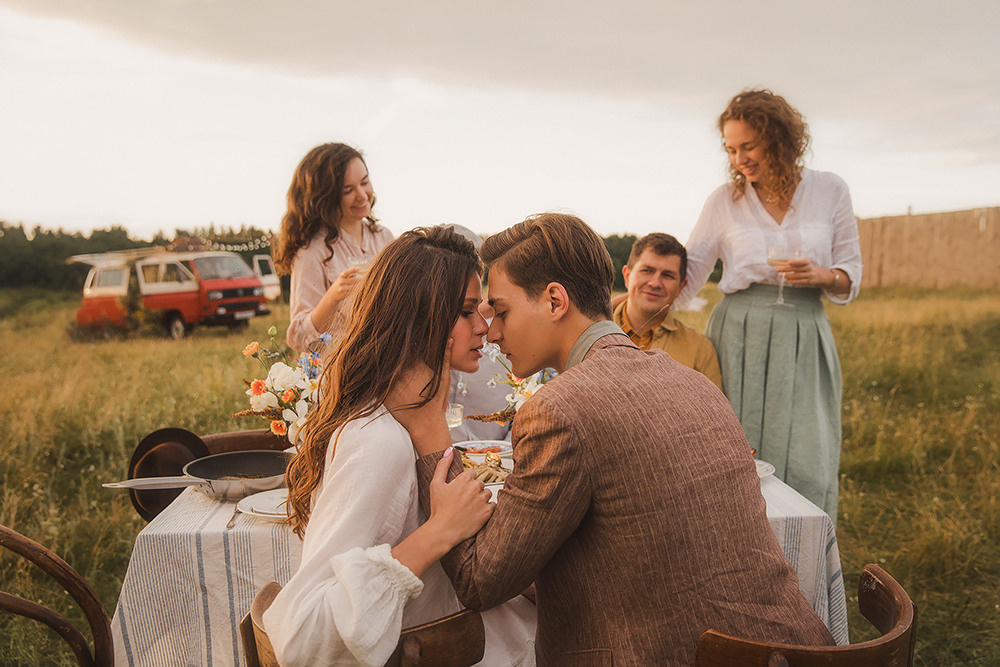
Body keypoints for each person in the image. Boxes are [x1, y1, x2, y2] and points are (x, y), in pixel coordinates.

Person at [390, 212, 834, 665]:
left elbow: (479, 581)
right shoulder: (691, 381)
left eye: (501, 311)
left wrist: (430, 433)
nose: (493, 331)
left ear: (555, 301)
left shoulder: (559, 409)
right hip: (796, 650)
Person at [263, 227, 536, 666]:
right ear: (419, 319)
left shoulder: (409, 422)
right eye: (467, 312)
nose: (484, 327)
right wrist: (439, 532)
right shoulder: (379, 441)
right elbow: (302, 632)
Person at [678, 89, 863, 519]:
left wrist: (822, 275)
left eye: (748, 146)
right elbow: (689, 273)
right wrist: (630, 301)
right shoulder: (724, 200)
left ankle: (808, 565)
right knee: (736, 455)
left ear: (779, 138)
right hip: (737, 333)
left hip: (804, 331)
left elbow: (850, 274)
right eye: (731, 149)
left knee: (808, 457)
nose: (739, 158)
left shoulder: (830, 189)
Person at [273, 143, 394, 353]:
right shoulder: (312, 251)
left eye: (364, 182)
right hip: (339, 372)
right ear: (325, 198)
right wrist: (332, 298)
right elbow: (299, 338)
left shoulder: (383, 238)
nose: (362, 195)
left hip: (385, 362)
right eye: (348, 190)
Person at [613, 232, 723, 391]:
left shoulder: (701, 350)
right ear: (627, 276)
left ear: (681, 287)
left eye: (667, 275)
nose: (655, 283)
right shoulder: (589, 335)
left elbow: (714, 413)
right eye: (647, 270)